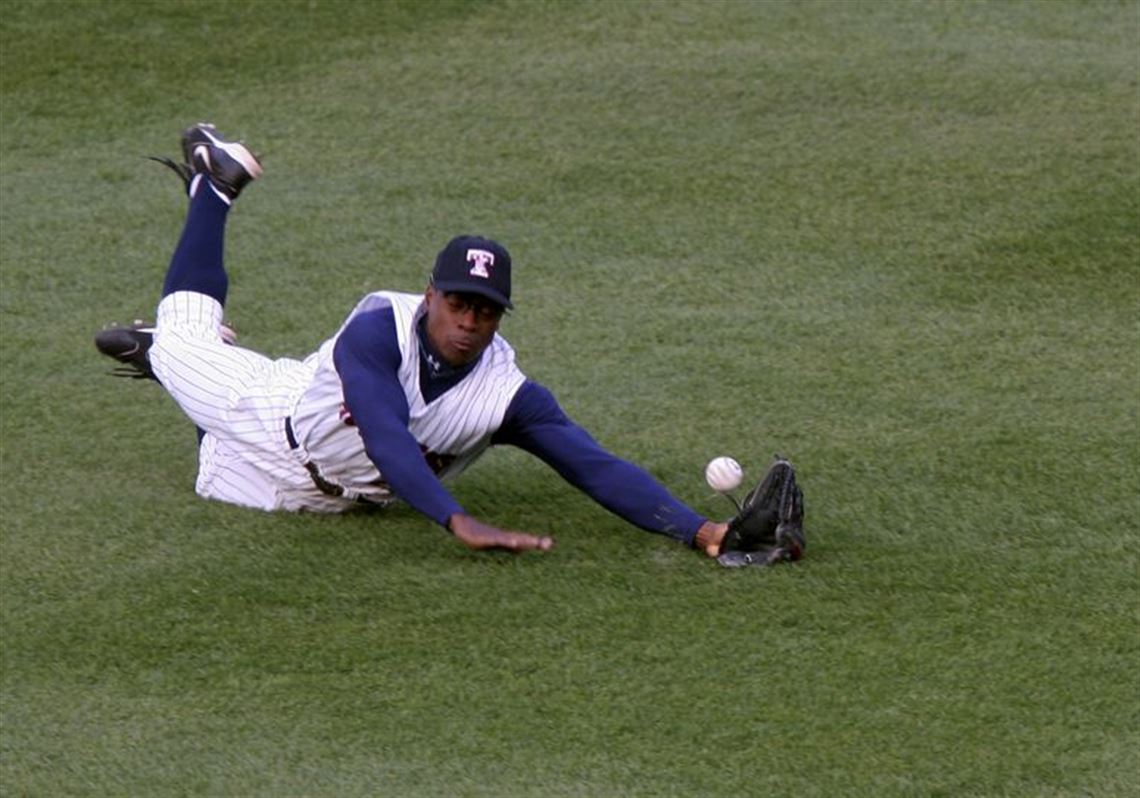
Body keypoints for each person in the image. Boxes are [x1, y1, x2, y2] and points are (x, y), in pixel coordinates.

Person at [96, 123, 731, 558]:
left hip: (316, 498)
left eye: (486, 311)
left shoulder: (507, 396)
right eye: (458, 303)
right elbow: (385, 434)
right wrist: (456, 519)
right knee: (184, 338)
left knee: (210, 473)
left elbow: (595, 467)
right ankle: (215, 186)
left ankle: (196, 362)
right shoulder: (376, 331)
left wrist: (704, 531)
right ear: (430, 294)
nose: (469, 322)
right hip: (269, 415)